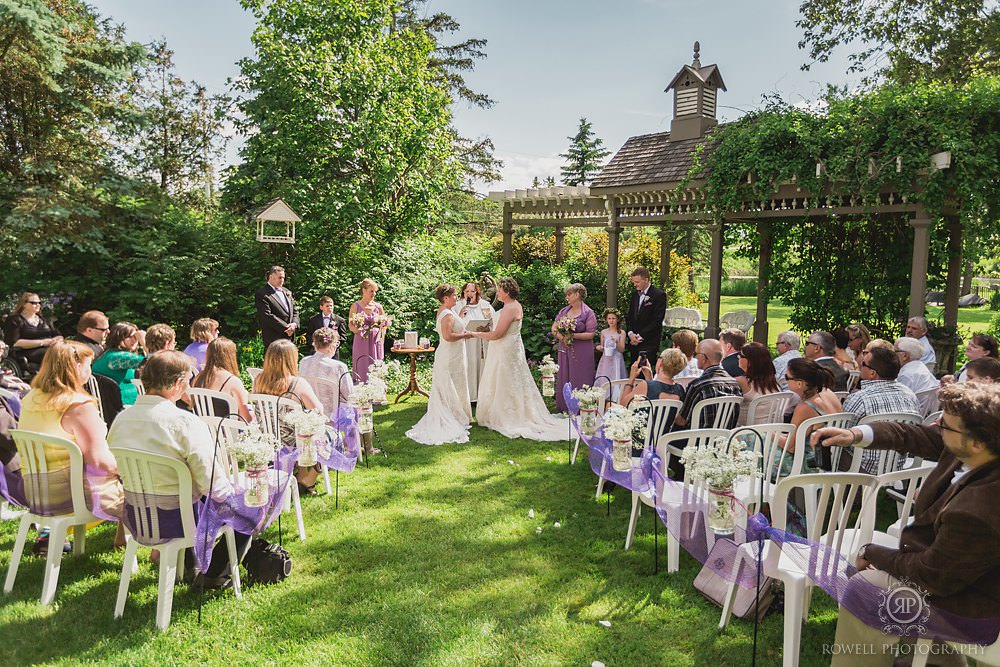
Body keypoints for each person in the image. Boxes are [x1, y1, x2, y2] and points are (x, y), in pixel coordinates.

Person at [814, 382, 1000, 666]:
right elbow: (909, 434)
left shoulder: (980, 507)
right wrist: (854, 434)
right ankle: (936, 663)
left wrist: (872, 552)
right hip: (956, 576)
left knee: (867, 586)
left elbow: (930, 576)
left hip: (973, 607)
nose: (937, 427)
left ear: (976, 441)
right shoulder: (976, 448)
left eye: (945, 426)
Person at [108, 350, 248, 590]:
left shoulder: (121, 419)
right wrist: (240, 493)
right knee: (246, 507)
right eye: (187, 382)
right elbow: (212, 486)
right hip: (179, 520)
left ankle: (188, 567)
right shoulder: (185, 422)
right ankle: (213, 576)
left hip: (137, 517)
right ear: (176, 384)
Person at [17, 340, 124, 553]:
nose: (90, 371)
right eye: (88, 364)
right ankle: (142, 546)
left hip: (37, 490)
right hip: (71, 496)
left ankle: (50, 532)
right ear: (75, 367)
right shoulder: (78, 405)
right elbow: (99, 460)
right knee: (138, 484)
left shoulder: (31, 397)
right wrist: (126, 470)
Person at [471, 277, 567, 441]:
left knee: (506, 379)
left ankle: (510, 415)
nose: (498, 292)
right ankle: (501, 411)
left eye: (500, 289)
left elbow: (497, 334)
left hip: (506, 349)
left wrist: (475, 333)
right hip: (504, 347)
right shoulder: (510, 306)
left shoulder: (510, 308)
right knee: (503, 378)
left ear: (507, 292)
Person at [253, 339, 325, 491]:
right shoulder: (297, 383)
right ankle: (308, 478)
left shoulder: (258, 380)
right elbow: (318, 411)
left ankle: (300, 472)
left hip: (267, 437)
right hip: (293, 440)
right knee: (332, 435)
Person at [406, 285, 474, 445]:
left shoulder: (447, 312)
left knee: (454, 384)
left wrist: (460, 316)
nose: (457, 298)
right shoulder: (446, 314)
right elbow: (448, 336)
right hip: (450, 356)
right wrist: (466, 335)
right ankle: (452, 416)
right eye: (455, 295)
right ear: (446, 298)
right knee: (449, 385)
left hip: (453, 355)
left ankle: (456, 414)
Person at [843, 346, 920, 474]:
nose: (859, 366)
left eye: (863, 364)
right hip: (897, 466)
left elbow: (845, 434)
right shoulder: (910, 395)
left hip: (862, 468)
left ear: (873, 373)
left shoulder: (860, 398)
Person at [672, 339, 742, 430]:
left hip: (696, 441)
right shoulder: (735, 384)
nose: (695, 358)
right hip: (724, 439)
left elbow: (682, 421)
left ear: (703, 358)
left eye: (696, 354)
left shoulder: (698, 385)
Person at [552, 283, 597, 413]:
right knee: (565, 375)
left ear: (577, 295)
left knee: (581, 376)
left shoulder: (588, 312)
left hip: (582, 350)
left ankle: (582, 406)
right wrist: (563, 338)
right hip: (565, 348)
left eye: (569, 294)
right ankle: (564, 407)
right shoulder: (564, 311)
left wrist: (573, 336)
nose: (567, 297)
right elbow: (554, 328)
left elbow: (591, 334)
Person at [192, 337, 253, 422]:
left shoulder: (198, 378)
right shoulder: (232, 381)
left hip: (203, 430)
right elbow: (246, 419)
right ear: (230, 356)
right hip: (226, 432)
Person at [453, 281, 495, 404]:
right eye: (467, 291)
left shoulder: (484, 305)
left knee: (481, 366)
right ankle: (468, 397)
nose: (469, 294)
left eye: (472, 291)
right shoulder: (458, 305)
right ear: (463, 293)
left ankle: (481, 396)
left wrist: (487, 329)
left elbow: (492, 322)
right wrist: (461, 315)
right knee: (468, 367)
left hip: (481, 343)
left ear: (477, 292)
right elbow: (453, 325)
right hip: (466, 342)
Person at [3, 292, 62, 375]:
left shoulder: (44, 319)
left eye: (39, 303)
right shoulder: (15, 320)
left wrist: (56, 340)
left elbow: (58, 335)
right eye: (34, 303)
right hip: (26, 351)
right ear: (24, 304)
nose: (38, 305)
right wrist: (42, 342)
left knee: (68, 351)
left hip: (50, 348)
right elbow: (14, 343)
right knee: (54, 353)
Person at [299, 327, 353, 415]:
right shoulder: (338, 367)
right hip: (334, 417)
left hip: (310, 415)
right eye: (336, 344)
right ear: (330, 346)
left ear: (315, 344)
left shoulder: (304, 362)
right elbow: (350, 395)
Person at [91, 322, 146, 406]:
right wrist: (144, 342)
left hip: (116, 405)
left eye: (136, 337)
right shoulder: (118, 357)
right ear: (119, 338)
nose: (135, 340)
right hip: (123, 405)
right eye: (131, 337)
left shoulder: (109, 354)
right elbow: (157, 363)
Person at [349, 278, 389, 383]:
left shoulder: (378, 307)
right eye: (371, 291)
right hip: (361, 340)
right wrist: (358, 329)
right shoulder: (355, 306)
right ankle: (361, 391)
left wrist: (382, 332)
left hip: (375, 341)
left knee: (376, 362)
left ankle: (376, 391)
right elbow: (350, 325)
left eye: (375, 291)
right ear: (364, 290)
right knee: (361, 363)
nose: (374, 293)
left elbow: (385, 325)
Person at [619, 347, 687, 407]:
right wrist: (649, 379)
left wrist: (631, 378)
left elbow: (623, 405)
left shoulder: (645, 385)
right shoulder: (679, 390)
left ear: (661, 362)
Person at [625, 266, 666, 365]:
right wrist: (630, 334)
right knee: (634, 371)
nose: (635, 284)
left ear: (646, 280)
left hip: (648, 342)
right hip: (633, 342)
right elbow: (630, 316)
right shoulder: (635, 294)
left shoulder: (659, 295)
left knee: (644, 373)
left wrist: (639, 337)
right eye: (634, 282)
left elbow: (657, 320)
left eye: (637, 282)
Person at [735, 342, 780, 426]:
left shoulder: (742, 382)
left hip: (748, 433)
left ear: (750, 362)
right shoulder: (773, 383)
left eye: (741, 355)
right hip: (772, 431)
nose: (738, 357)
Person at [254, 265, 299, 349]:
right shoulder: (262, 294)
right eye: (280, 277)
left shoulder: (286, 291)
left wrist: (294, 324)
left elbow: (295, 311)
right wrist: (286, 328)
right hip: (274, 337)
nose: (282, 280)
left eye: (283, 278)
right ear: (271, 277)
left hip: (290, 337)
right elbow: (266, 315)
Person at [595, 307, 627, 402]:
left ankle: (616, 398)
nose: (611, 321)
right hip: (606, 359)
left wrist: (617, 342)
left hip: (617, 359)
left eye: (613, 318)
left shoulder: (621, 333)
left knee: (616, 378)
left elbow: (622, 349)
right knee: (605, 377)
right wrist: (599, 348)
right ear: (606, 320)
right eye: (609, 318)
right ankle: (603, 398)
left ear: (617, 319)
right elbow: (603, 347)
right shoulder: (604, 332)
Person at [304, 296, 347, 361]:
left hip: (333, 353)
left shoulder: (340, 320)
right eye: (327, 306)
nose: (330, 308)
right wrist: (316, 346)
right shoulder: (313, 320)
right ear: (321, 307)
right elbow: (309, 335)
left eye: (331, 306)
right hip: (317, 352)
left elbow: (343, 337)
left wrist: (333, 345)